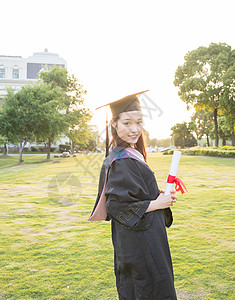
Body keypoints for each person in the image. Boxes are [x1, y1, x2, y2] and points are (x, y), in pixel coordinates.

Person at [89, 91, 178, 299]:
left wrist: (159, 196)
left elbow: (136, 195)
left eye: (139, 122)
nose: (135, 129)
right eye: (127, 123)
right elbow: (117, 207)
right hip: (140, 243)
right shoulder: (122, 160)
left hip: (141, 238)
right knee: (147, 289)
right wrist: (157, 203)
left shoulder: (129, 153)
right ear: (114, 125)